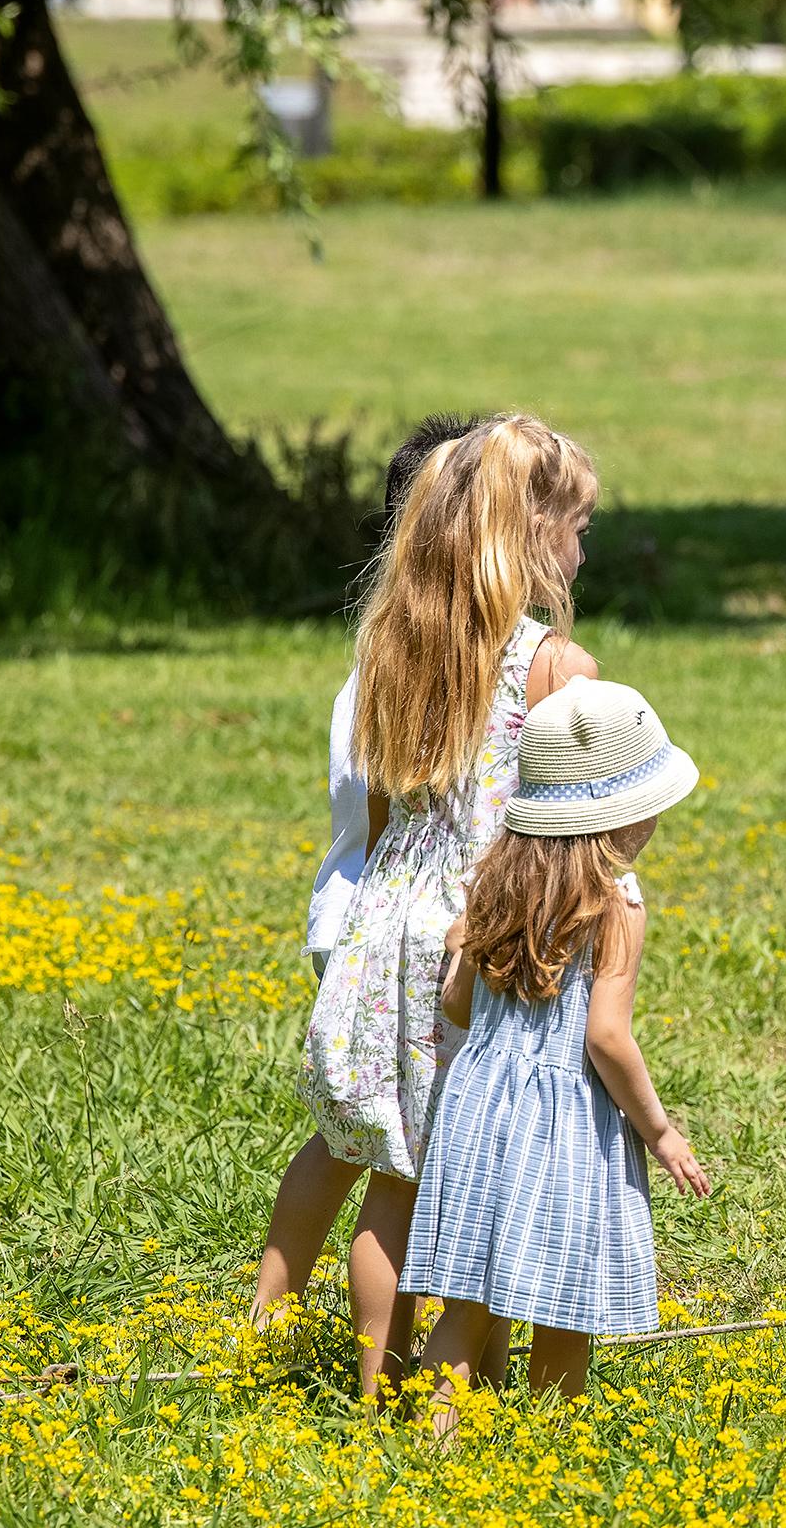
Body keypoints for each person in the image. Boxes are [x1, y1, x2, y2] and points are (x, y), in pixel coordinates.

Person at [299, 413, 601, 1397]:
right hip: (491, 939)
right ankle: (459, 1403)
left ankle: (375, 1393)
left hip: (393, 926)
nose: (583, 543)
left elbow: (383, 805)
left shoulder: (398, 640)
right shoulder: (556, 664)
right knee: (493, 1184)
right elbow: (574, 823)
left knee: (397, 1179)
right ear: (532, 530)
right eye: (576, 522)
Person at [407, 678, 711, 1434]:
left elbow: (456, 1006)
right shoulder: (617, 905)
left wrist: (460, 960)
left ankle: (428, 1442)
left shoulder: (492, 880)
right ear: (631, 813)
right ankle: (553, 1445)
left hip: (477, 1105)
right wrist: (661, 1131)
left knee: (468, 1298)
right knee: (565, 1303)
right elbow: (605, 1037)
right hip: (564, 1121)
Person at [249, 413, 479, 1330]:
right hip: (381, 930)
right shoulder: (415, 662)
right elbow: (399, 816)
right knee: (398, 1158)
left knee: (346, 1141)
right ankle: (371, 1348)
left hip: (346, 917)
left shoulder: (381, 647)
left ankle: (273, 1311)